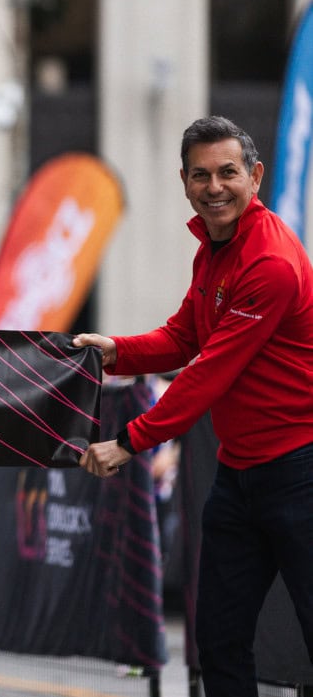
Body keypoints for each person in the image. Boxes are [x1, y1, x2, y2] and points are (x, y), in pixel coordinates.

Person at [73, 116, 313, 696]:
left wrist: (128, 441)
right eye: (201, 175)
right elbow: (185, 336)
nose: (215, 187)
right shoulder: (213, 249)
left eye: (228, 172)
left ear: (254, 177)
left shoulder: (271, 262)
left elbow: (207, 374)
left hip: (300, 473)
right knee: (218, 643)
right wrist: (117, 351)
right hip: (239, 478)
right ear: (183, 181)